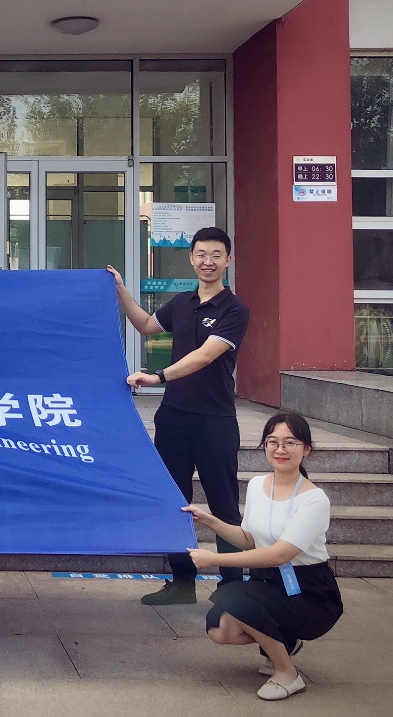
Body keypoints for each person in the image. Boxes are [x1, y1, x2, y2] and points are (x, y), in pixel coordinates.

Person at [106, 226, 249, 606]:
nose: (208, 261)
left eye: (216, 255)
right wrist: (120, 291)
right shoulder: (181, 302)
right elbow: (146, 326)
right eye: (201, 254)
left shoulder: (234, 310)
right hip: (173, 418)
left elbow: (205, 356)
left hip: (215, 420)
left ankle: (232, 588)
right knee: (175, 502)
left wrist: (158, 376)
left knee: (223, 506)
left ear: (228, 260)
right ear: (191, 258)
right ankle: (182, 583)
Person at [185, 412, 343, 701]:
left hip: (308, 592)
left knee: (236, 597)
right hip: (267, 583)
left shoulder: (314, 499)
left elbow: (279, 555)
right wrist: (209, 520)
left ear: (306, 449)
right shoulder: (257, 485)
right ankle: (283, 641)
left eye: (290, 443)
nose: (280, 449)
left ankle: (286, 673)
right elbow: (249, 540)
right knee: (219, 629)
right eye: (273, 442)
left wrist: (214, 559)